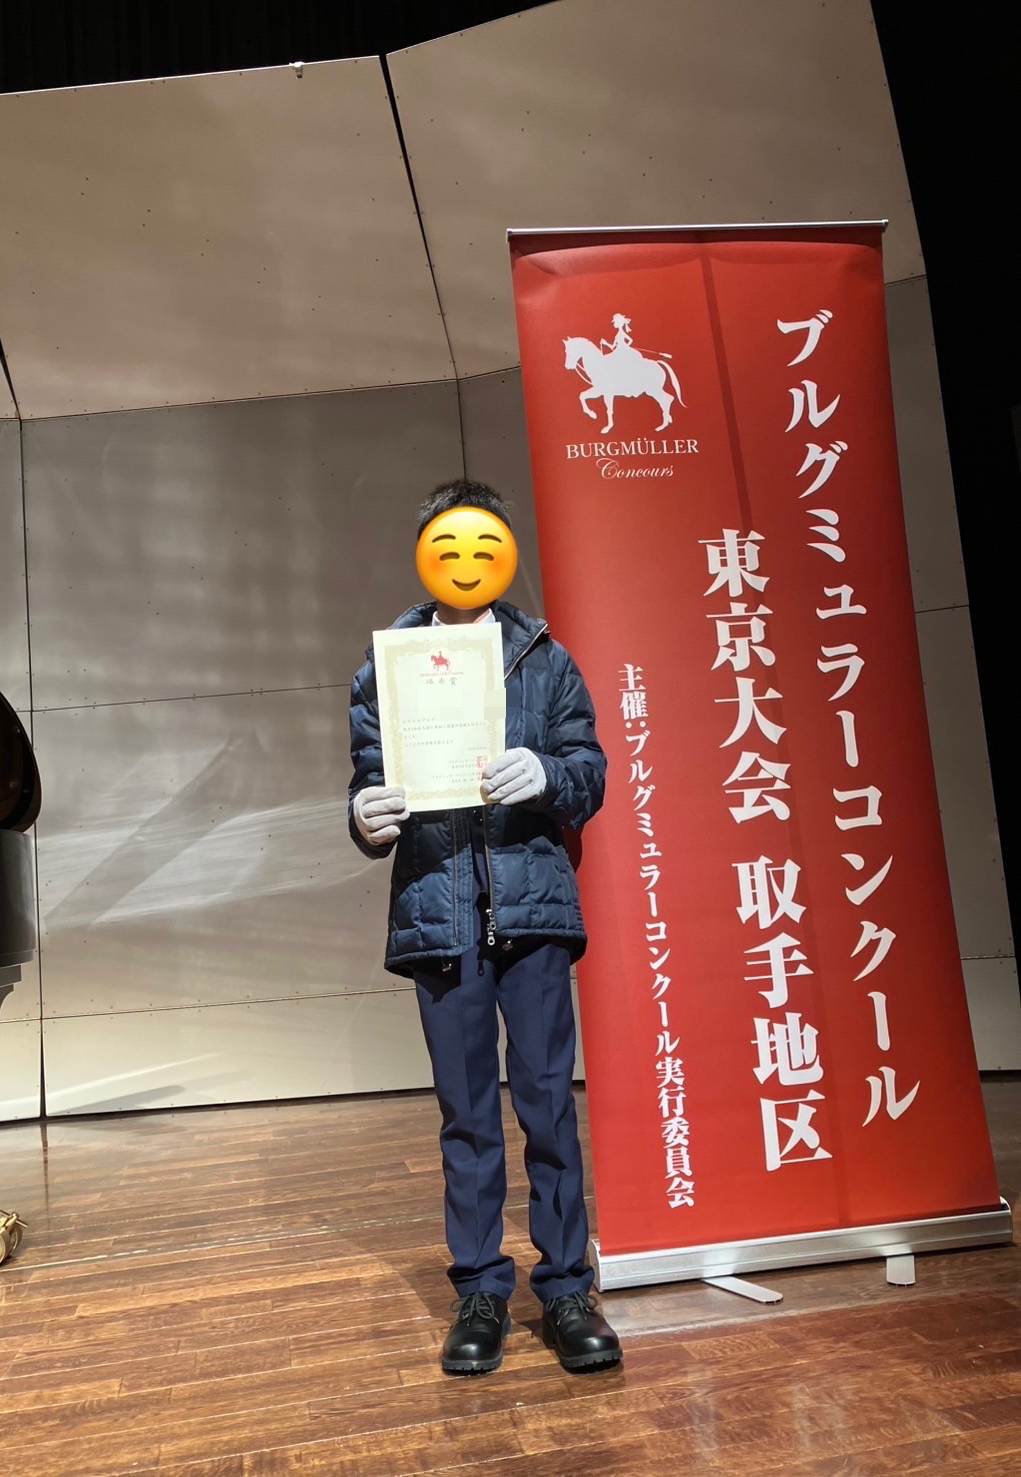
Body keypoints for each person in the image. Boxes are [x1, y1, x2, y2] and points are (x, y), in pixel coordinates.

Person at [348, 478, 622, 1376]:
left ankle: (569, 1287)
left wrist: (547, 774)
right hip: (441, 913)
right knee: (465, 1117)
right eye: (449, 545)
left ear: (503, 554)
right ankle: (479, 1290)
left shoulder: (546, 658)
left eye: (483, 545)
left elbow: (589, 770)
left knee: (547, 1104)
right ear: (426, 556)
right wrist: (365, 815)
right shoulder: (385, 668)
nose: (466, 561)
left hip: (532, 909)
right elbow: (367, 782)